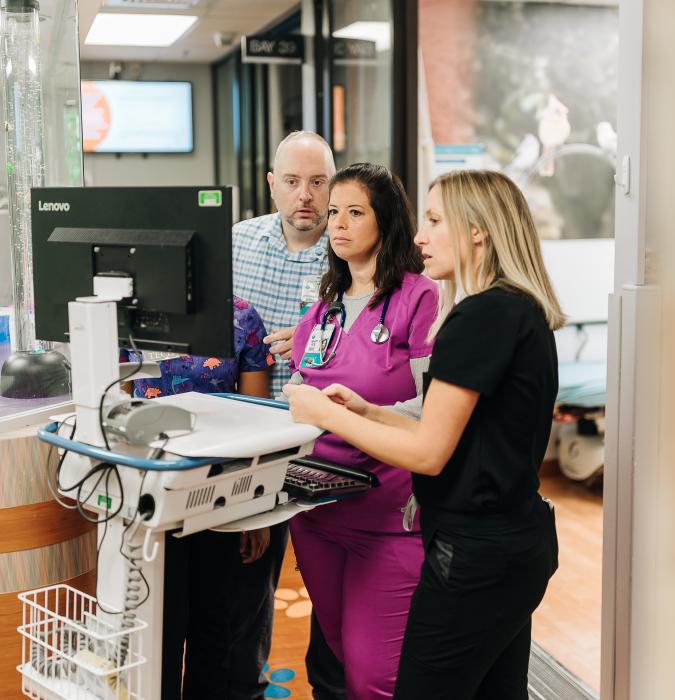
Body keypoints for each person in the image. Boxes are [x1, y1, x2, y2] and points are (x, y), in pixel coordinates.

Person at [285, 169, 561, 700]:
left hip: (473, 551)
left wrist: (327, 413)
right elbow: (452, 423)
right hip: (513, 541)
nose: (420, 235)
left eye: (434, 220)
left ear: (477, 230)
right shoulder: (515, 309)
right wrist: (366, 409)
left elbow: (430, 453)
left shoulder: (476, 317)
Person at [285, 162, 439, 698]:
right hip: (315, 510)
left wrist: (347, 412)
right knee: (339, 652)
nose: (338, 225)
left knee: (374, 676)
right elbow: (298, 391)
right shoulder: (323, 306)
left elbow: (433, 408)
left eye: (355, 213)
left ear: (386, 221)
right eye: (334, 213)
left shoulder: (418, 298)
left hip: (388, 517)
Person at [232, 130, 346, 700]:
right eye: (294, 182)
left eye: (319, 182)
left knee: (336, 610)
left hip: (331, 445)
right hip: (251, 444)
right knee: (245, 604)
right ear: (272, 185)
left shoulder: (353, 251)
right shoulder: (236, 243)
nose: (306, 196)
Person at [127, 295, 275, 700]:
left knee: (216, 631)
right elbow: (118, 412)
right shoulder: (128, 315)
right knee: (160, 631)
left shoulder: (242, 317)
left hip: (222, 496)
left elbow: (256, 422)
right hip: (153, 496)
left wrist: (257, 515)